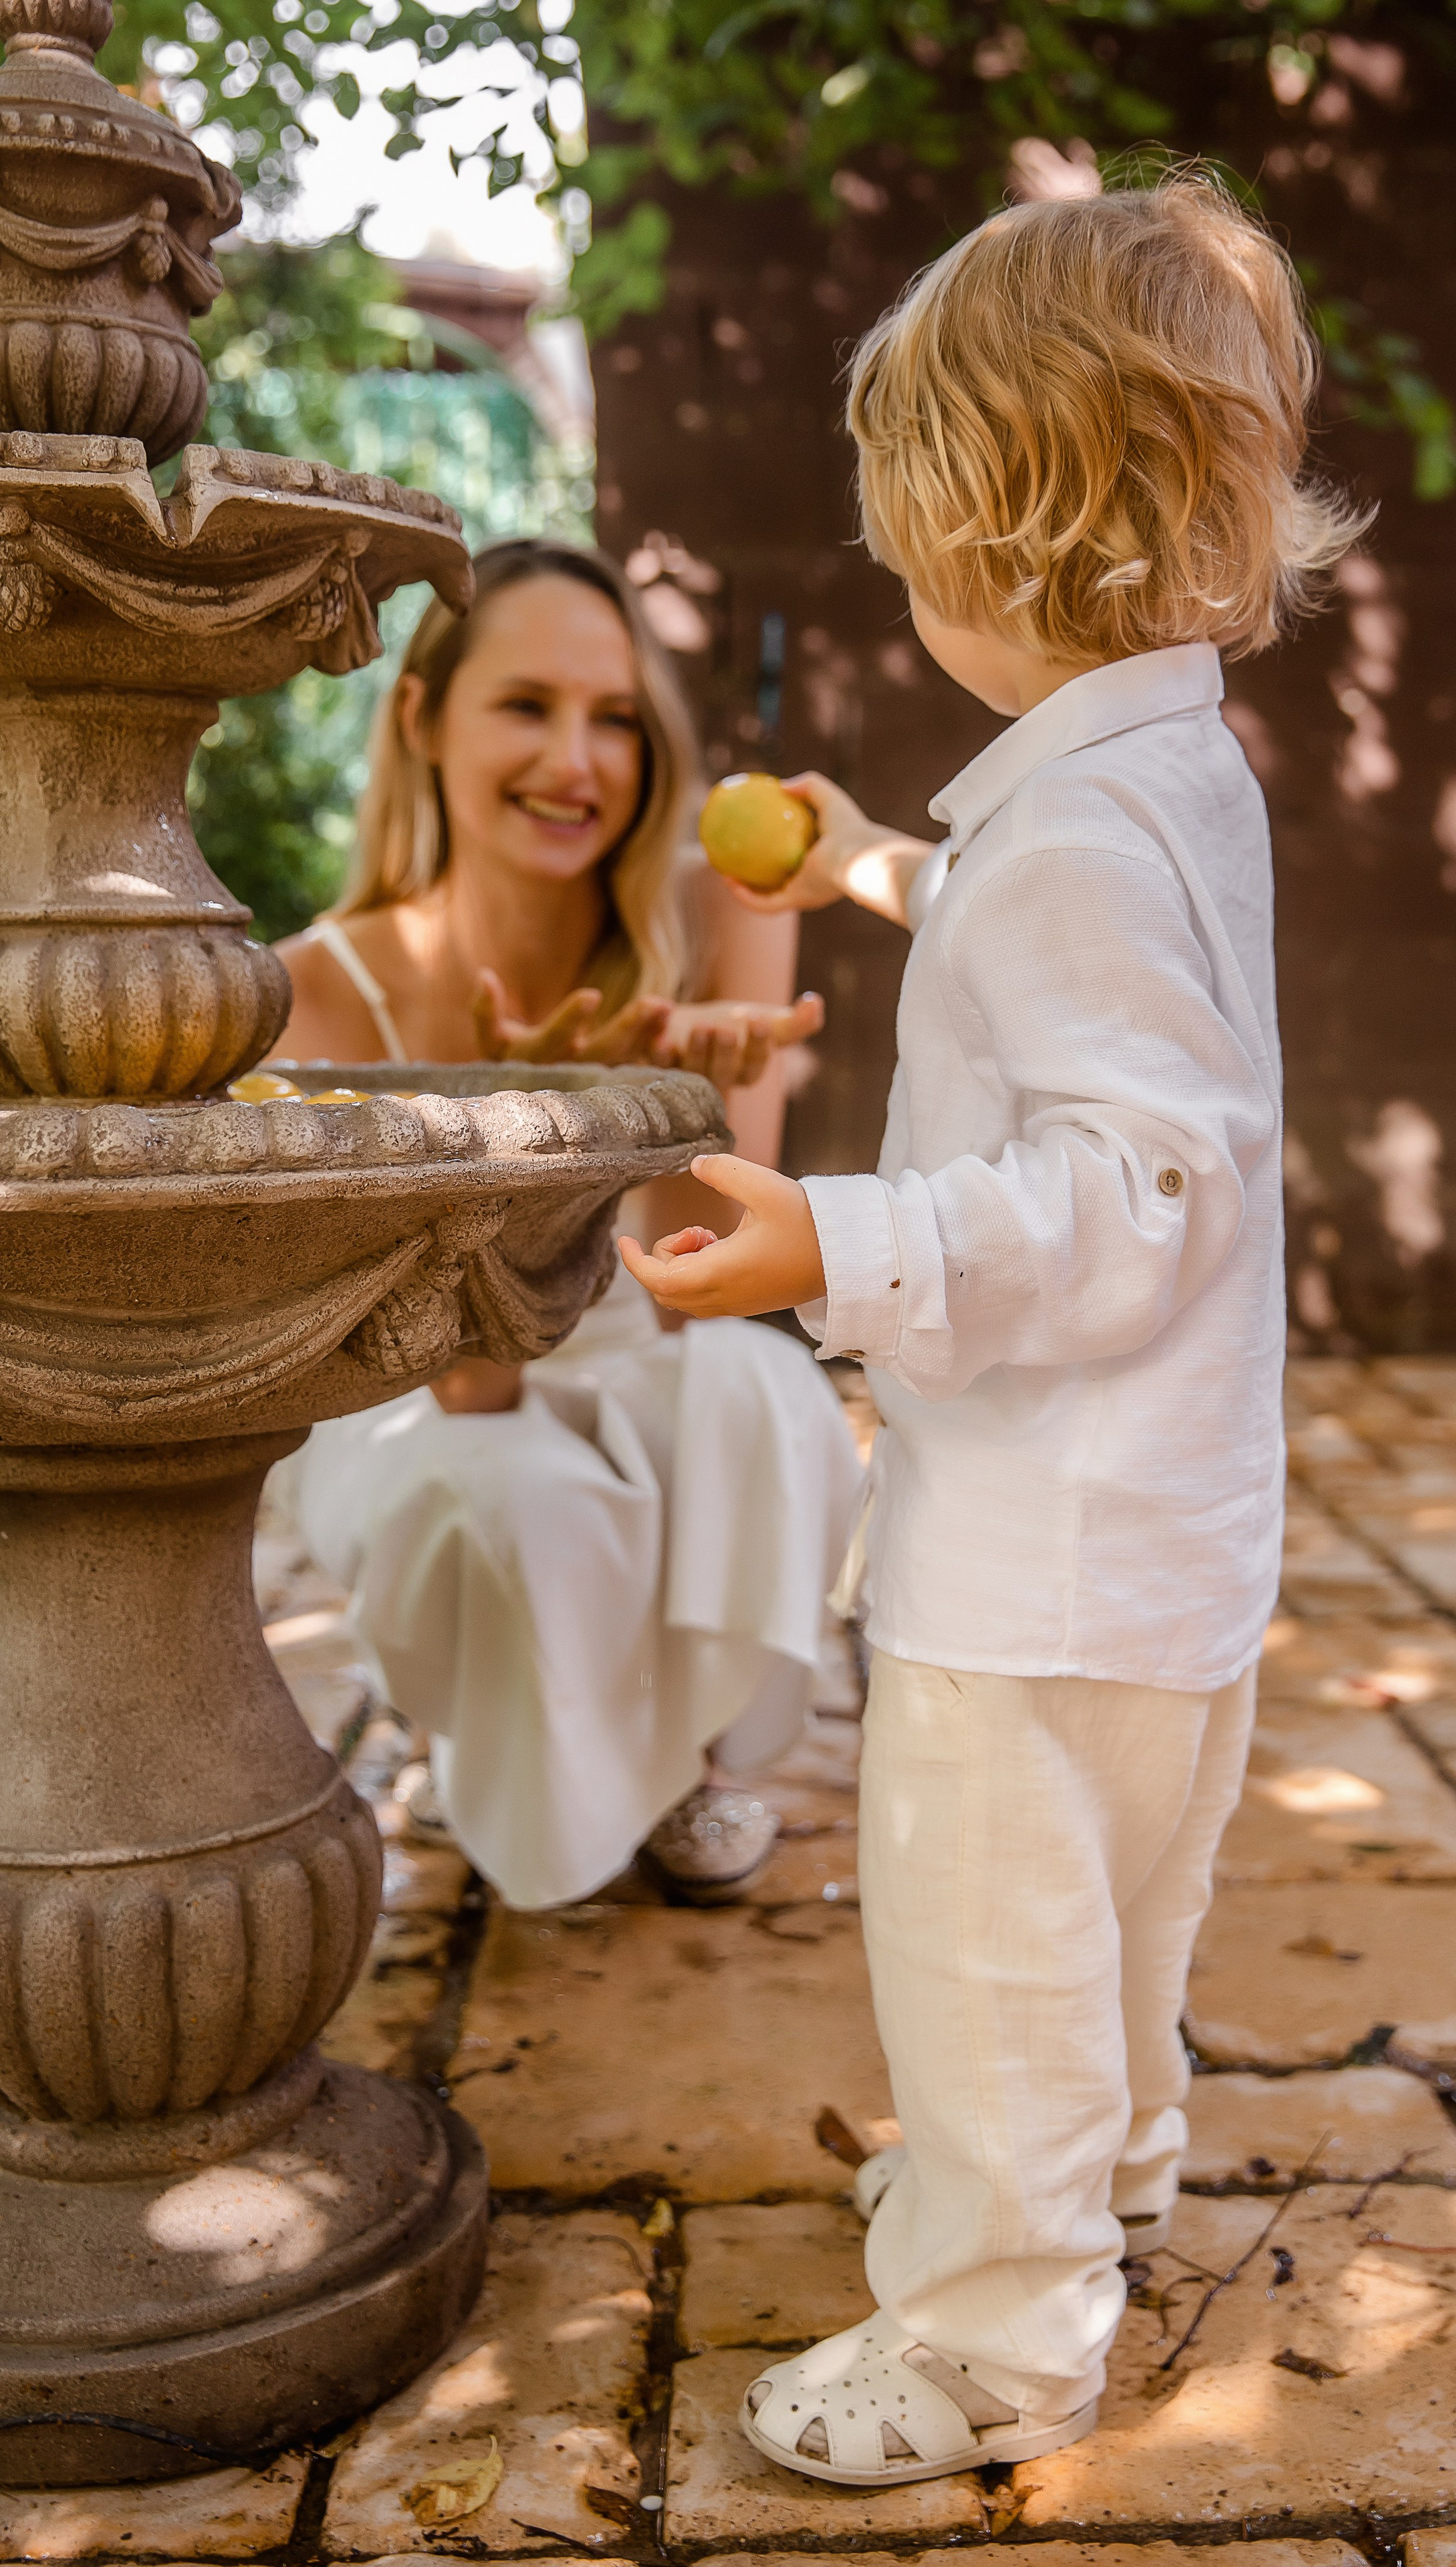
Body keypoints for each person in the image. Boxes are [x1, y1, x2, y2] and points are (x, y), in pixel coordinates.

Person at [620, 173, 1365, 2480]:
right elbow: (1104, 1003)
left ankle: (992, 2331)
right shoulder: (1162, 774)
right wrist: (866, 861)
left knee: (985, 1935)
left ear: (990, 525)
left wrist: (826, 1244)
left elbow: (1136, 1180)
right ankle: (1096, 2173)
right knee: (1118, 1913)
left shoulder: (1073, 835)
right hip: (1167, 1546)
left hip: (1035, 1553)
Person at [272, 540, 864, 1909]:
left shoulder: (719, 912)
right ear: (423, 720)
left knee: (751, 1388)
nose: (576, 761)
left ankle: (700, 1764)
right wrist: (514, 1179)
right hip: (426, 1395)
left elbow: (693, 1289)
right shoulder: (318, 990)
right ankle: (525, 1753)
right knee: (510, 1493)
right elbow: (447, 1384)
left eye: (613, 718)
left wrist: (673, 1103)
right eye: (526, 706)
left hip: (637, 1342)